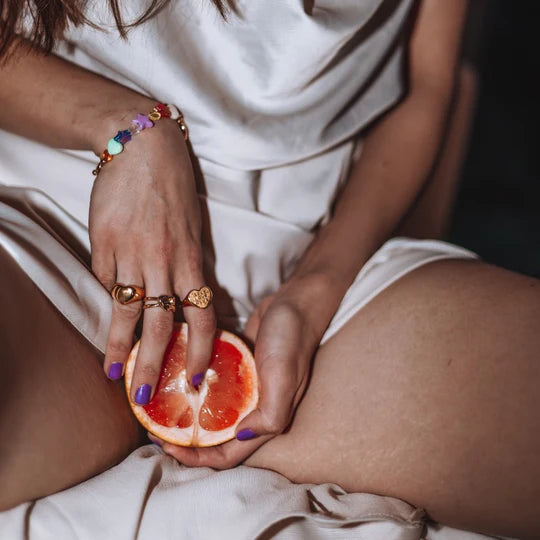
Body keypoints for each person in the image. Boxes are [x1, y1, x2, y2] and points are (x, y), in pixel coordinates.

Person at [0, 1, 538, 538]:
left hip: (305, 276)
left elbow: (426, 85)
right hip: (56, 229)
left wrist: (316, 287)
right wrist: (130, 130)